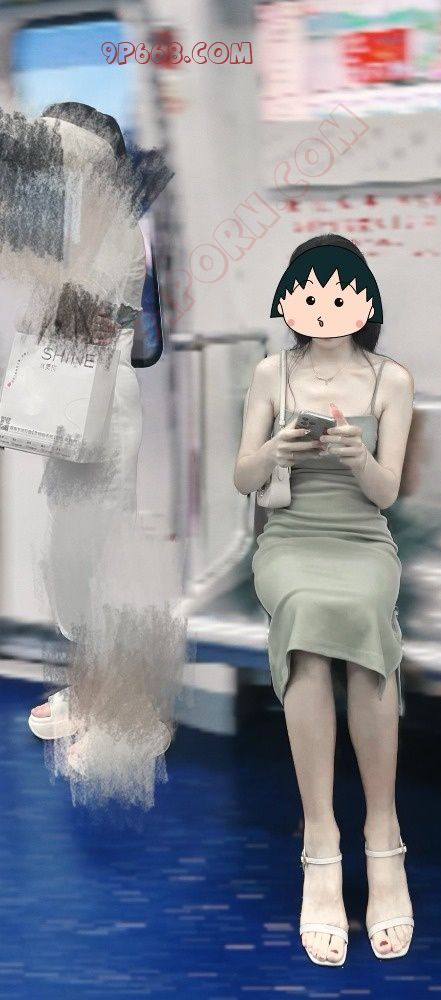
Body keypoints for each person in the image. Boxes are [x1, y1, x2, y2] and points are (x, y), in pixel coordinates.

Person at [234, 234, 415, 966]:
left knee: (366, 614)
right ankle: (320, 839)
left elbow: (386, 494)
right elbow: (243, 479)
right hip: (290, 539)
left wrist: (358, 457)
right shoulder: (270, 373)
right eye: (308, 296)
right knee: (305, 617)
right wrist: (274, 453)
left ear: (365, 304)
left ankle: (383, 834)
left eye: (339, 297)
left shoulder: (390, 381)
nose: (323, 308)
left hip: (362, 540)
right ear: (288, 303)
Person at [23, 103, 174, 775]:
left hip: (103, 411)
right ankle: (90, 694)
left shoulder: (114, 236)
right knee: (70, 564)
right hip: (68, 409)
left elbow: (91, 322)